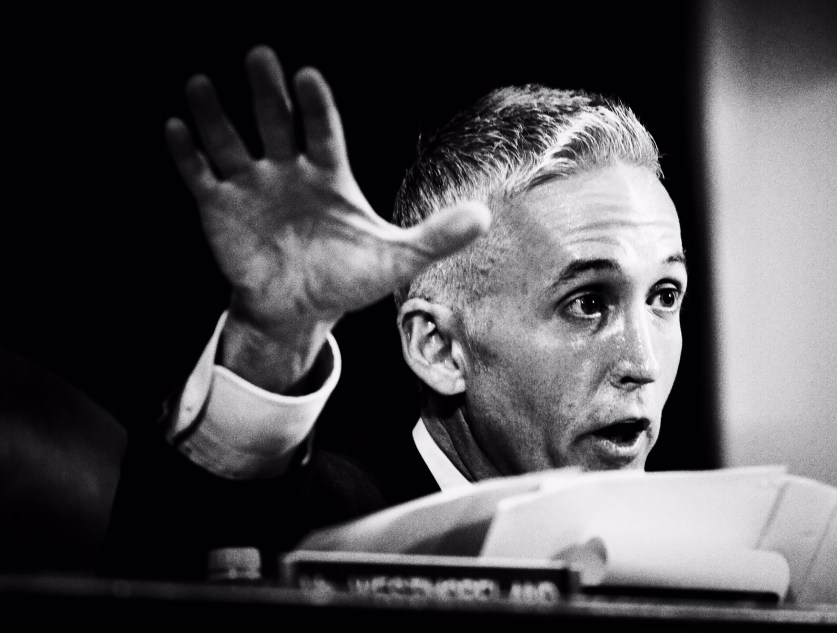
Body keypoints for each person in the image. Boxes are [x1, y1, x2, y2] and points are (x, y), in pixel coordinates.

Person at [103, 45, 687, 579]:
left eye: (664, 295)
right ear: (438, 349)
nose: (642, 362)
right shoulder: (329, 532)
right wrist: (270, 339)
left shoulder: (701, 559)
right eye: (587, 303)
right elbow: (169, 565)